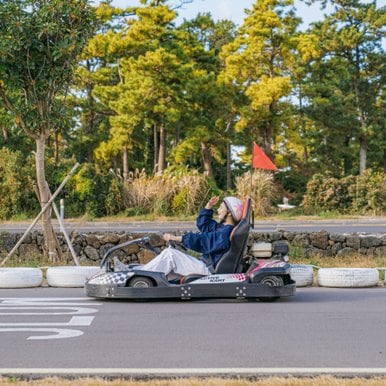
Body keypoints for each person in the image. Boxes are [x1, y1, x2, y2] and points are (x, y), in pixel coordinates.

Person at [136, 196, 244, 279]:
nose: (218, 210)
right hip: (206, 263)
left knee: (171, 255)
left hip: (208, 269)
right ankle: (144, 272)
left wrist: (178, 238)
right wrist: (208, 206)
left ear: (229, 212)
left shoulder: (225, 232)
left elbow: (204, 241)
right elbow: (204, 224)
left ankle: (141, 277)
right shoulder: (222, 228)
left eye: (221, 208)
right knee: (170, 254)